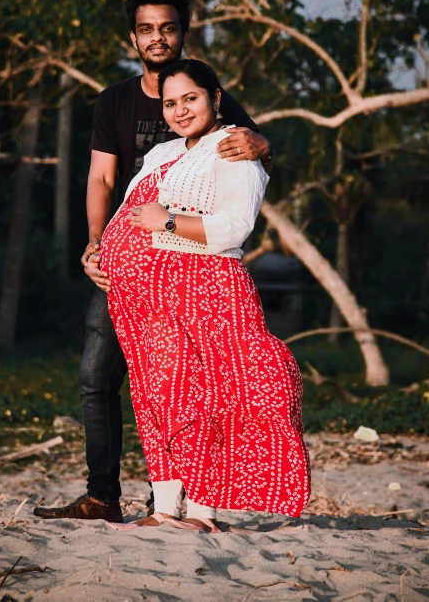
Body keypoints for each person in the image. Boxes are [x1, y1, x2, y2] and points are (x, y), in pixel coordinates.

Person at [34, 0, 273, 524]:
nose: (158, 37)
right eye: (147, 28)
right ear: (134, 37)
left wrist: (264, 142)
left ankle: (189, 506)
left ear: (183, 33)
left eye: (168, 27)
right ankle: (103, 497)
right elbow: (102, 177)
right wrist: (96, 245)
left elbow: (246, 157)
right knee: (101, 376)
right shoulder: (115, 100)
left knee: (190, 385)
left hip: (194, 269)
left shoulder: (211, 94)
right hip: (129, 272)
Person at [100, 59, 310, 532]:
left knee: (206, 397)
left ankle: (203, 514)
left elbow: (236, 226)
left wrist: (168, 223)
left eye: (190, 98)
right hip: (145, 299)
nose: (179, 110)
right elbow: (131, 209)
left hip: (205, 287)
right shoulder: (161, 154)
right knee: (159, 398)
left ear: (215, 98)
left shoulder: (235, 146)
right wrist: (101, 252)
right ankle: (164, 510)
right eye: (170, 103)